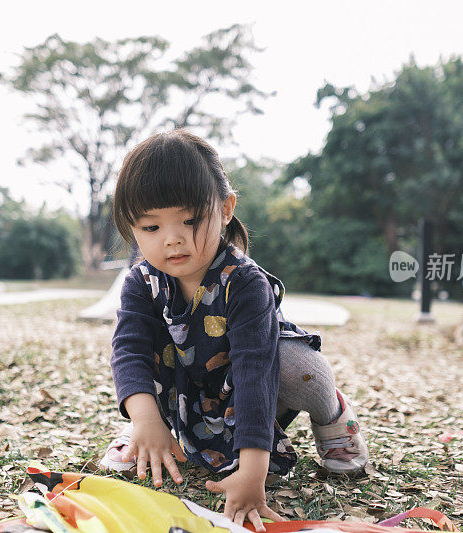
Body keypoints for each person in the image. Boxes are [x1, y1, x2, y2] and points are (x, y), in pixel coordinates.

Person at [101, 130, 369, 532]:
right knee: (141, 359)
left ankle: (334, 419)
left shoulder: (244, 282)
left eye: (189, 220)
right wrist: (147, 420)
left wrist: (253, 472)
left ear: (225, 208)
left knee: (298, 366)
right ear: (132, 228)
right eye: (151, 227)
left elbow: (254, 372)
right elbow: (130, 353)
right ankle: (147, 430)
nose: (172, 239)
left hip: (252, 385)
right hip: (189, 391)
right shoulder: (141, 282)